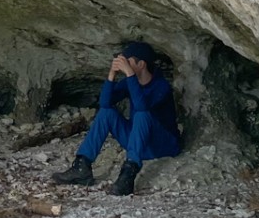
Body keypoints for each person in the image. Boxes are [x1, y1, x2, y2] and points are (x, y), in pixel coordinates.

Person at [50, 41, 181, 195]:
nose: (124, 64)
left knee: (142, 114)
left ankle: (128, 174)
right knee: (107, 112)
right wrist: (111, 75)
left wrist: (130, 75)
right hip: (138, 143)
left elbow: (142, 106)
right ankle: (82, 166)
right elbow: (105, 103)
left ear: (141, 64)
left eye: (129, 61)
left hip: (162, 145)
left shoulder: (161, 86)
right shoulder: (128, 83)